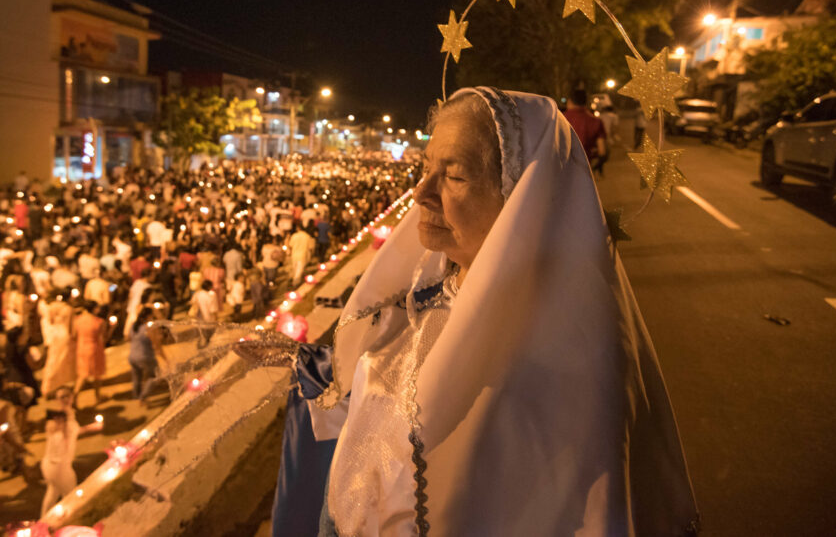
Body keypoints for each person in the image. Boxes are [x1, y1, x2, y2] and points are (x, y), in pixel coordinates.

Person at [248, 88, 696, 536]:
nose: (421, 193)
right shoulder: (423, 294)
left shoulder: (566, 362)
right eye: (426, 167)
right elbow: (386, 396)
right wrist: (304, 361)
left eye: (455, 176)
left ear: (521, 199)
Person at [39, 386, 103, 517]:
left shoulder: (69, 414)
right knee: (71, 496)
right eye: (61, 397)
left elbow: (75, 431)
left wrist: (92, 427)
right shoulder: (57, 418)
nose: (65, 399)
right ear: (57, 400)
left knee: (53, 492)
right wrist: (60, 426)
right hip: (58, 466)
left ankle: (43, 521)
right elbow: (56, 431)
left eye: (67, 395)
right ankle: (74, 519)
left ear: (72, 397)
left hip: (52, 466)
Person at [127, 306, 169, 404]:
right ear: (149, 316)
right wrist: (165, 358)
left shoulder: (134, 326)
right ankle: (143, 397)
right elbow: (156, 345)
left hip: (132, 356)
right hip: (145, 356)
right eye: (152, 316)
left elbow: (128, 338)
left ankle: (136, 397)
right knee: (155, 375)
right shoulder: (148, 328)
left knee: (137, 377)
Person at [563, 88, 608, 173]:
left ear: (569, 101)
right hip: (584, 169)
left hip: (561, 168)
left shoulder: (560, 119)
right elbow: (602, 151)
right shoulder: (596, 121)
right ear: (586, 102)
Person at [73, 302, 107, 407]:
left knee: (82, 374)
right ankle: (97, 396)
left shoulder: (77, 320)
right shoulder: (99, 322)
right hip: (94, 349)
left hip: (81, 348)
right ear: (94, 309)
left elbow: (74, 335)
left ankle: (75, 396)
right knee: (97, 374)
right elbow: (103, 338)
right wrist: (112, 328)